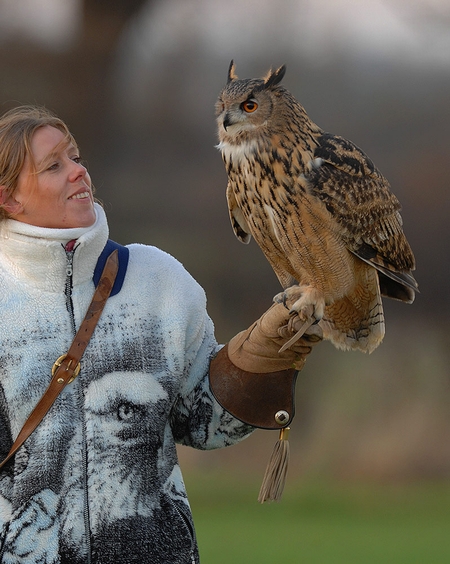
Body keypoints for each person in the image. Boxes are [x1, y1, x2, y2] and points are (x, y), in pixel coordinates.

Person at [0, 105, 321, 564]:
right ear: (9, 199)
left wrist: (261, 359)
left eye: (75, 156)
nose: (78, 171)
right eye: (55, 165)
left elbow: (202, 423)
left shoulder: (156, 281)